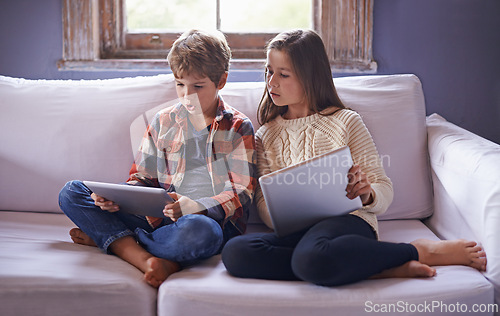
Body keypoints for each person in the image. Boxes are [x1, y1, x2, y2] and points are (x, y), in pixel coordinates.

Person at [221, 29, 486, 286]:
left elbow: (383, 187)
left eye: (283, 74)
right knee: (236, 253)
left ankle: (417, 251)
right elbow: (264, 206)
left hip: (348, 223)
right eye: (269, 71)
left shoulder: (345, 121)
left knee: (312, 257)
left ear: (310, 77)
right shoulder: (266, 134)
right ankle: (374, 269)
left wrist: (367, 194)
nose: (271, 82)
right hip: (298, 232)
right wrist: (285, 212)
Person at [59, 29, 257, 288]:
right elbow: (143, 178)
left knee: (201, 233)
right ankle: (146, 256)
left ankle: (114, 239)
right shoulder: (163, 121)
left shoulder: (237, 127)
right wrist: (117, 199)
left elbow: (240, 192)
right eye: (180, 85)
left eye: (198, 86)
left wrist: (193, 206)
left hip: (203, 221)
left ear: (221, 81)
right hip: (156, 219)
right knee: (71, 192)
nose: (188, 95)